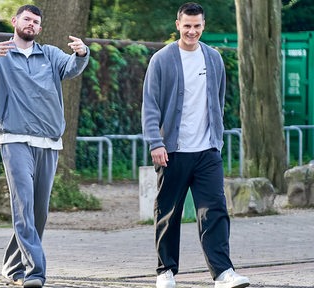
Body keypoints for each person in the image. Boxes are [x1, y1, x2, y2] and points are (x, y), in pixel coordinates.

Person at [0, 4, 89, 288]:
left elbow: (71, 68)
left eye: (36, 22)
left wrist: (82, 53)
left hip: (48, 142)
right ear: (15, 21)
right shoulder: (2, 52)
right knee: (23, 205)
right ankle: (34, 272)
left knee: (38, 212)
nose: (31, 24)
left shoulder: (49, 54)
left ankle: (12, 265)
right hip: (14, 140)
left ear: (39, 28)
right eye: (27, 19)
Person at [141, 2, 250, 288]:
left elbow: (218, 99)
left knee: (214, 210)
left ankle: (223, 272)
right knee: (168, 212)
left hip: (207, 152)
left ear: (204, 26)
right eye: (187, 25)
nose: (192, 31)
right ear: (177, 25)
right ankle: (165, 271)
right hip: (172, 151)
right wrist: (156, 142)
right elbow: (150, 105)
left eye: (197, 26)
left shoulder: (213, 58)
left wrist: (217, 139)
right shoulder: (162, 59)